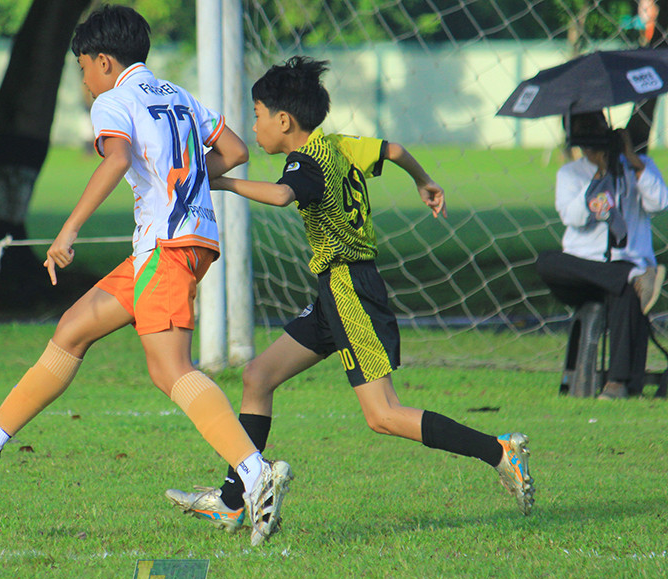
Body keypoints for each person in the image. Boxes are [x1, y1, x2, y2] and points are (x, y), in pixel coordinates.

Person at [0, 5, 292, 547]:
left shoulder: (115, 100)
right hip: (180, 243)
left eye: (83, 67)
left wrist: (67, 231)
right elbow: (235, 150)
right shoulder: (179, 95)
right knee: (73, 329)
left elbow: (115, 160)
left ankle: (255, 474)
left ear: (104, 61)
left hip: (165, 246)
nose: (85, 80)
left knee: (170, 369)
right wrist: (186, 183)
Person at [165, 56, 535, 534]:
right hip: (335, 291)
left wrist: (219, 181)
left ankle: (498, 451)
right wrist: (423, 180)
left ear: (284, 120)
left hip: (350, 291)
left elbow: (281, 195)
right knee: (257, 376)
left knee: (382, 414)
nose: (253, 126)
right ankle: (235, 500)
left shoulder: (305, 161)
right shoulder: (338, 145)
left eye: (256, 115)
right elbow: (394, 149)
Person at [536, 111, 668, 400]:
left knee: (626, 292)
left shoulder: (640, 166)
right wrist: (599, 175)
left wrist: (631, 160)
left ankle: (617, 384)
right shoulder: (570, 173)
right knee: (547, 262)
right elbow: (574, 218)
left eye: (596, 128)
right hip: (583, 269)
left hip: (626, 261)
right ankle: (632, 276)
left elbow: (659, 203)